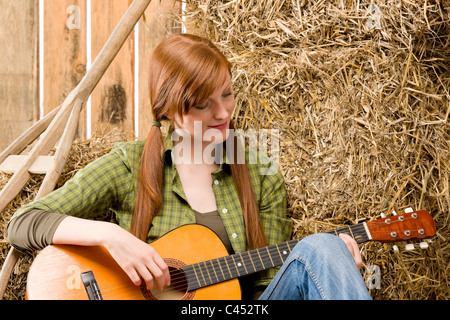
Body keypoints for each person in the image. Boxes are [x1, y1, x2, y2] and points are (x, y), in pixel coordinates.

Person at [7, 33, 371, 300]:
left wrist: (330, 260)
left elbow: (271, 284)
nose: (223, 112)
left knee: (324, 247)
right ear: (168, 110)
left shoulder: (259, 173)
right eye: (202, 104)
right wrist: (112, 237)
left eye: (227, 94)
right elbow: (23, 223)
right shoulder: (129, 165)